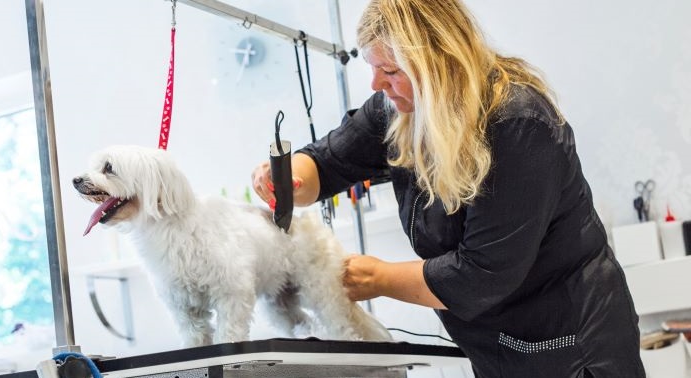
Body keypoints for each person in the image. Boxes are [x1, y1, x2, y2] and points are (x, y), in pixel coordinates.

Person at [251, 0, 645, 376]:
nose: (377, 84)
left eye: (391, 71)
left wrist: (380, 279)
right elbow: (329, 162)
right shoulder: (400, 107)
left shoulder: (517, 125)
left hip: (570, 344)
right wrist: (286, 178)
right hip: (497, 345)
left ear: (439, 62)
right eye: (375, 68)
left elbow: (483, 274)